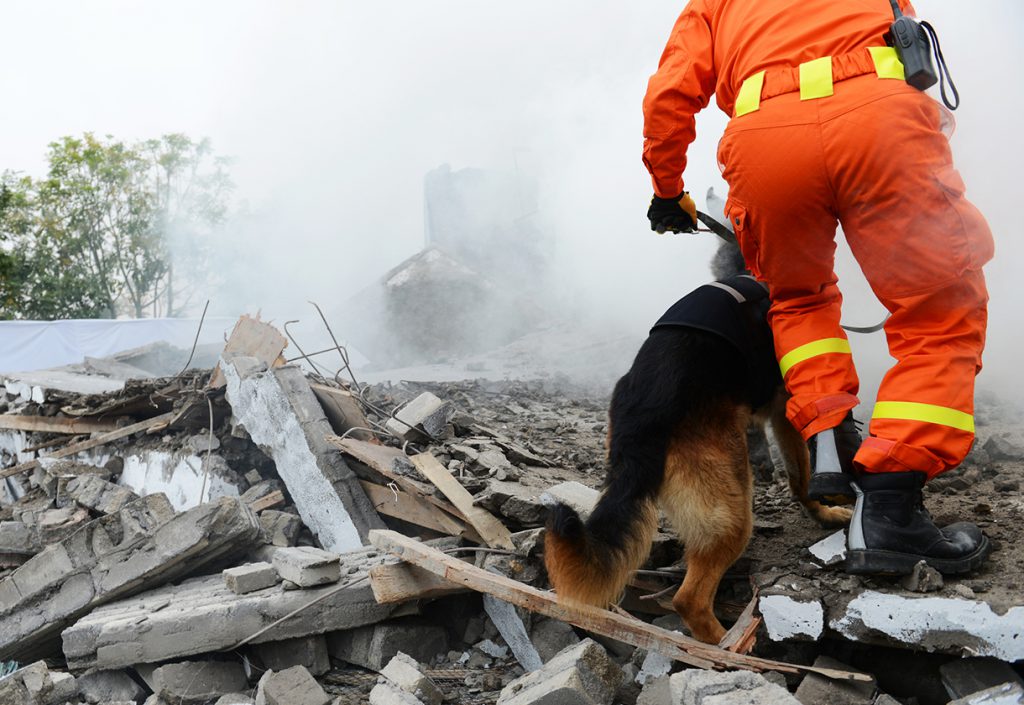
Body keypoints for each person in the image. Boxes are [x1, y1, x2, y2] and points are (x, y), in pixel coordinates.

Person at [642, 0, 994, 575]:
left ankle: (830, 440)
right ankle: (891, 509)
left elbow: (670, 93)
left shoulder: (713, 4)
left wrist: (666, 187)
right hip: (879, 122)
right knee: (939, 312)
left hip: (765, 140)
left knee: (798, 301)